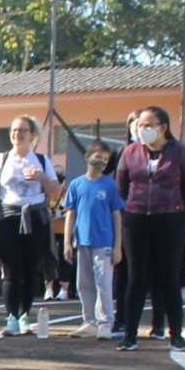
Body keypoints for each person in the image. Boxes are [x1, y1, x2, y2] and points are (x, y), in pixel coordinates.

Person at [114, 106, 185, 352]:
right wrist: (130, 207)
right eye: (140, 125)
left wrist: (177, 207)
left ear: (162, 127)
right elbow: (121, 185)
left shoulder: (180, 152)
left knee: (168, 278)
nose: (143, 129)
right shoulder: (130, 152)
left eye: (148, 124)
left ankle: (176, 335)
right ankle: (130, 336)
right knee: (136, 278)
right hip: (136, 220)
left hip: (169, 220)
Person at [0, 115, 59, 337]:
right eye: (14, 130)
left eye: (22, 130)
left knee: (31, 268)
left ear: (32, 134)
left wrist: (40, 176)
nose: (17, 134)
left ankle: (25, 315)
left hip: (35, 219)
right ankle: (11, 316)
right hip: (8, 218)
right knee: (12, 269)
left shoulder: (41, 161)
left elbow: (54, 194)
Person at [63, 144, 124, 338]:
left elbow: (117, 216)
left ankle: (105, 322)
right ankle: (89, 320)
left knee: (103, 283)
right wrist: (67, 242)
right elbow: (70, 215)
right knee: (84, 283)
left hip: (104, 242)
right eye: (98, 157)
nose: (101, 162)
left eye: (105, 160)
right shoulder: (76, 184)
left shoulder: (110, 185)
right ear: (87, 157)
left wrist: (117, 246)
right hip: (83, 242)